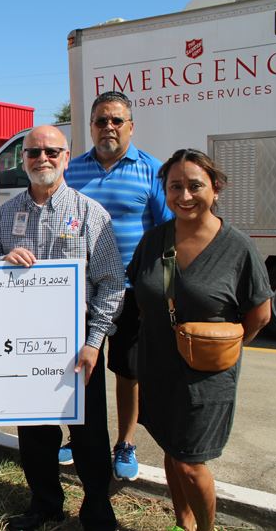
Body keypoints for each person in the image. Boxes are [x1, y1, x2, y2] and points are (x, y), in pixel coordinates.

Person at [0, 125, 124, 531]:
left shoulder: (90, 213)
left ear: (66, 157)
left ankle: (97, 510)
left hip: (79, 343)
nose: (42, 158)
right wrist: (2, 260)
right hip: (24, 340)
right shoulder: (7, 213)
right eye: (33, 152)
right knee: (35, 431)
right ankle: (44, 505)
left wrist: (94, 342)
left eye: (51, 151)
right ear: (23, 159)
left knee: (88, 433)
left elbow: (112, 283)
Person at [127, 149, 272, 531]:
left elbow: (260, 314)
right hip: (158, 364)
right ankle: (183, 524)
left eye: (195, 186)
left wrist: (223, 345)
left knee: (190, 462)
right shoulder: (154, 240)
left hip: (206, 375)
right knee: (171, 450)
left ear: (216, 188)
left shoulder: (237, 247)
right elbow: (141, 293)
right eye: (175, 187)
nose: (185, 196)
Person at [64, 90, 173, 480]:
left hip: (130, 292)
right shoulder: (71, 171)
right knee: (79, 368)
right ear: (91, 126)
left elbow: (167, 237)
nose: (108, 127)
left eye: (116, 120)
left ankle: (125, 443)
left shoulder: (152, 171)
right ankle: (76, 437)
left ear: (130, 126)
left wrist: (159, 290)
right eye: (100, 120)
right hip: (79, 292)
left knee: (128, 372)